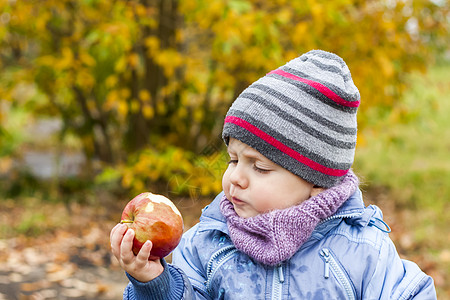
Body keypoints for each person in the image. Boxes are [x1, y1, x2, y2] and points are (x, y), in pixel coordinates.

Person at [110, 50, 437, 299]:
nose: (236, 178)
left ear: (316, 182)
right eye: (233, 160)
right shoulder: (209, 243)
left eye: (260, 167)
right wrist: (153, 281)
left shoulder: (361, 250)